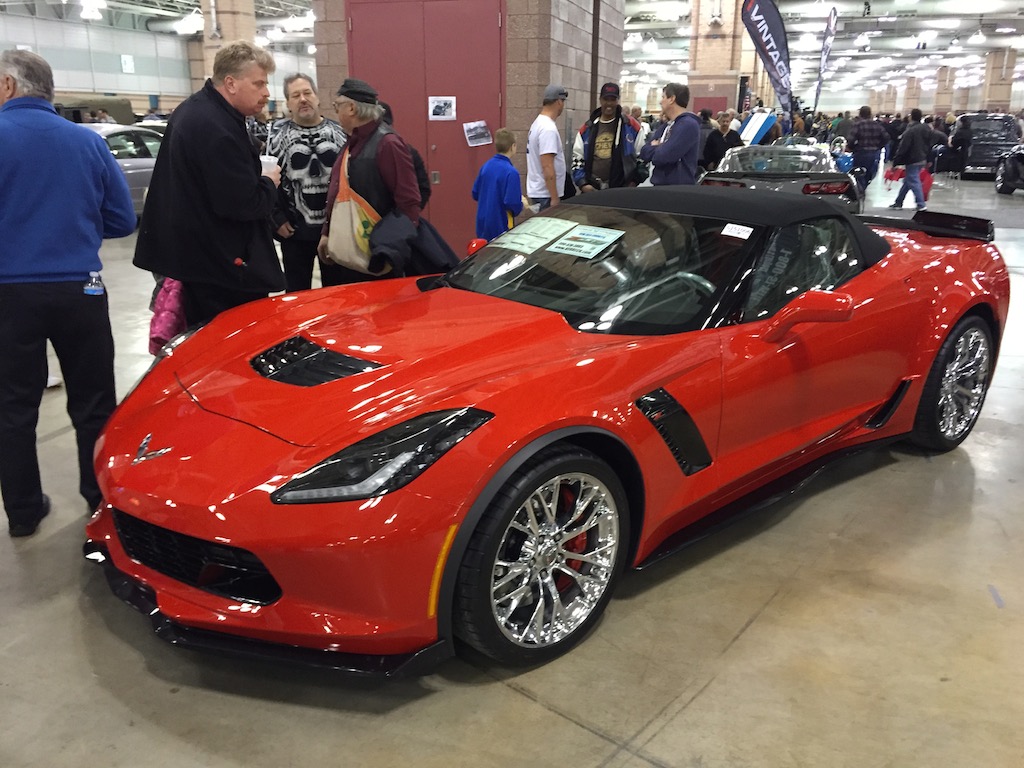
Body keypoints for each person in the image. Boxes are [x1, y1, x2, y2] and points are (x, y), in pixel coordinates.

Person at [0, 50, 136, 537]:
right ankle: (97, 501)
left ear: (9, 86)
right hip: (80, 288)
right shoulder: (87, 142)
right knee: (95, 400)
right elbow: (122, 219)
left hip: (9, 294)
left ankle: (23, 511)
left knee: (14, 405)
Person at [133, 41, 284, 327]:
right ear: (231, 83)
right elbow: (241, 204)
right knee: (228, 347)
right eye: (259, 84)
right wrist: (267, 183)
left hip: (195, 260)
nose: (266, 93)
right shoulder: (216, 129)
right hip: (218, 269)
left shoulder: (195, 110)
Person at [318, 77, 423, 279]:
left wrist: (391, 249)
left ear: (351, 108)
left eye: (337, 105)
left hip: (376, 257)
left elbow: (408, 203)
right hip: (349, 255)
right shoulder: (352, 143)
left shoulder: (388, 144)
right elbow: (338, 191)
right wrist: (327, 233)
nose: (336, 112)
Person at [266, 73, 348, 292]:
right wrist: (276, 218)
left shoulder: (340, 134)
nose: (303, 99)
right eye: (295, 95)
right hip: (294, 232)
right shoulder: (275, 137)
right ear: (288, 104)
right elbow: (268, 179)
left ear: (317, 97)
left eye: (307, 93)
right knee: (296, 295)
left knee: (337, 294)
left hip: (334, 232)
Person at [571, 82, 646, 193]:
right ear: (600, 100)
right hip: (592, 189)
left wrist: (634, 182)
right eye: (606, 99)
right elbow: (577, 159)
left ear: (618, 100)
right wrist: (583, 184)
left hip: (621, 190)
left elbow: (643, 158)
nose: (609, 103)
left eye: (613, 99)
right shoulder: (587, 128)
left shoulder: (631, 127)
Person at [638, 82, 701, 186]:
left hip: (677, 190)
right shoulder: (666, 126)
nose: (660, 102)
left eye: (663, 97)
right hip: (659, 186)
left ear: (671, 99)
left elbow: (664, 156)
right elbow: (644, 152)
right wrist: (660, 148)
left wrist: (657, 146)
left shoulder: (688, 125)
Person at [888, 107, 946, 211]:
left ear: (911, 117)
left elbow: (903, 147)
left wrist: (896, 161)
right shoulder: (926, 129)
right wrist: (929, 159)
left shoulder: (910, 130)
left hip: (912, 159)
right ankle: (898, 202)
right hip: (922, 158)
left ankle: (921, 204)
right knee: (908, 181)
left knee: (913, 181)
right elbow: (931, 143)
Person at [472, 127, 524, 240]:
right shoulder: (511, 172)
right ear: (513, 146)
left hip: (482, 224)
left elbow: (475, 193)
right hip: (501, 225)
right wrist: (522, 204)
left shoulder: (486, 166)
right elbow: (511, 203)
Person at [379, 101, 431, 209]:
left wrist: (407, 216)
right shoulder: (356, 150)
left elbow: (423, 187)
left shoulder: (407, 151)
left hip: (396, 216)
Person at [526, 84, 568, 211]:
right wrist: (554, 198)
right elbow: (547, 166)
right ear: (559, 102)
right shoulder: (548, 129)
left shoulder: (537, 124)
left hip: (538, 192)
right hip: (546, 195)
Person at [847, 105, 889, 192]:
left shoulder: (858, 124)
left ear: (860, 114)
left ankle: (860, 190)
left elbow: (851, 139)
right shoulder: (877, 125)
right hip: (874, 153)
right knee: (869, 172)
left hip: (860, 153)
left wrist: (852, 147)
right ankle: (864, 187)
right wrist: (879, 146)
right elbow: (886, 137)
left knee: (858, 172)